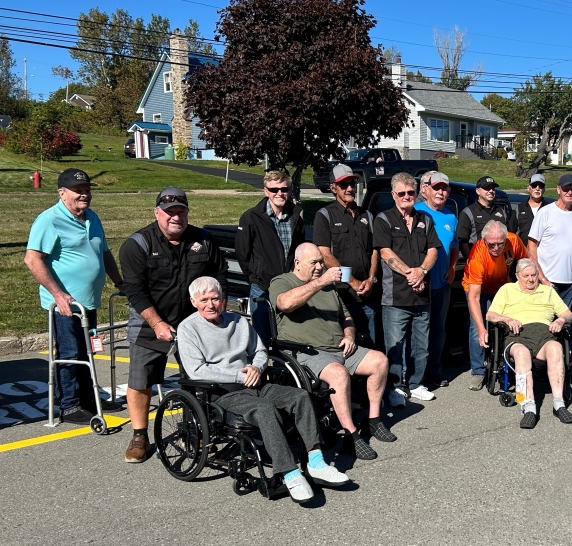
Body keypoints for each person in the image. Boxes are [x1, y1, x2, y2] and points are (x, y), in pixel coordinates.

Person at [176, 276, 348, 503]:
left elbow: (259, 350)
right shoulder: (188, 328)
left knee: (300, 396)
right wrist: (238, 375)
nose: (211, 304)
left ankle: (316, 461)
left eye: (215, 298)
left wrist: (257, 367)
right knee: (264, 409)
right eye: (204, 300)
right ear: (193, 301)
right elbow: (197, 371)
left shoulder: (238, 321)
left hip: (255, 383)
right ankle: (289, 473)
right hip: (223, 393)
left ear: (223, 299)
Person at [119, 187, 227, 463]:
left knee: (198, 376)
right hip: (150, 320)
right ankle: (140, 435)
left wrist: (216, 306)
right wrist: (156, 323)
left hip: (193, 322)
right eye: (169, 212)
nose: (175, 216)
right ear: (157, 213)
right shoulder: (137, 245)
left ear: (187, 212)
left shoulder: (203, 240)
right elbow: (135, 290)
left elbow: (219, 275)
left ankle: (196, 429)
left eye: (181, 211)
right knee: (141, 379)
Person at [270, 243, 395, 460]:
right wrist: (320, 282)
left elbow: (346, 317)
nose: (320, 266)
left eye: (321, 261)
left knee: (380, 361)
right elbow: (285, 304)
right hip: (307, 353)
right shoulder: (282, 281)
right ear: (297, 264)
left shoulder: (330, 287)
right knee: (339, 374)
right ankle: (351, 434)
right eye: (314, 263)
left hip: (340, 347)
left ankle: (374, 420)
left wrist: (349, 335)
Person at [25, 168, 124, 424]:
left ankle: (90, 399)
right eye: (78, 191)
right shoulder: (49, 220)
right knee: (70, 353)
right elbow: (32, 259)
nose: (84, 195)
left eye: (87, 190)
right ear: (62, 193)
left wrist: (120, 282)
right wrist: (58, 295)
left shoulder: (92, 217)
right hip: (65, 305)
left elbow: (104, 253)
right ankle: (69, 405)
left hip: (88, 301)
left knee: (88, 351)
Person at [374, 172, 442, 404]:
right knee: (395, 346)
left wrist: (421, 271)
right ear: (393, 195)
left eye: (410, 192)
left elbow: (433, 249)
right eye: (401, 193)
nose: (406, 196)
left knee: (421, 346)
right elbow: (385, 252)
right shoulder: (384, 219)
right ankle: (395, 387)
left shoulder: (426, 219)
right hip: (395, 296)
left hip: (423, 295)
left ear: (416, 193)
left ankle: (416, 384)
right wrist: (410, 273)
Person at [486, 259, 572, 429]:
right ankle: (528, 407)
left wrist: (561, 320)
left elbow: (569, 315)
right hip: (517, 335)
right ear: (517, 276)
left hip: (544, 335)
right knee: (521, 353)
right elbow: (490, 315)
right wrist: (507, 319)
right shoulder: (507, 289)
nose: (530, 279)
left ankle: (559, 404)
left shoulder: (547, 291)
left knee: (556, 348)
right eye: (525, 275)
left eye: (533, 275)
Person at [235, 170, 305, 346]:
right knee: (261, 340)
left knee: (289, 336)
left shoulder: (296, 215)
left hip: (289, 286)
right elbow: (242, 253)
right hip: (262, 286)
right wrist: (254, 277)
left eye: (284, 189)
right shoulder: (251, 217)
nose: (279, 193)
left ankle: (283, 373)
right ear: (266, 191)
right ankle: (262, 371)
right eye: (274, 190)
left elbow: (300, 249)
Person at [313, 163, 379, 346]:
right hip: (341, 294)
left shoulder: (367, 215)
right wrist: (353, 281)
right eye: (344, 185)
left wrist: (371, 279)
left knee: (370, 346)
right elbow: (325, 255)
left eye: (352, 183)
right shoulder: (324, 215)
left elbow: (375, 251)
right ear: (333, 188)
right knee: (344, 346)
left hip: (367, 294)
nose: (350, 188)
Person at [462, 220, 530, 389]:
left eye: (500, 244)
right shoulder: (477, 256)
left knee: (507, 322)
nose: (496, 248)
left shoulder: (513, 240)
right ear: (484, 240)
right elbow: (474, 298)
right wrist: (481, 329)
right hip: (477, 290)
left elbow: (526, 260)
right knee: (478, 326)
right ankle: (478, 371)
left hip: (501, 286)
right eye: (492, 244)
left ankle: (504, 363)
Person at [413, 171, 458, 387]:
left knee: (438, 331)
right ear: (425, 189)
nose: (441, 192)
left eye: (444, 188)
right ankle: (414, 377)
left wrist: (451, 267)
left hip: (441, 285)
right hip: (419, 284)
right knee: (418, 333)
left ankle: (434, 372)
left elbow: (455, 247)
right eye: (437, 188)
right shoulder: (415, 211)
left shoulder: (451, 217)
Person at [528, 173, 572, 310]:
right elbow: (531, 247)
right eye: (566, 189)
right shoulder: (546, 212)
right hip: (547, 281)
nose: (569, 192)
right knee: (544, 325)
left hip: (569, 283)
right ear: (558, 190)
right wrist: (541, 278)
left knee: (564, 324)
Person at [457, 175, 512, 259]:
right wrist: (471, 261)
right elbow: (462, 241)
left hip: (499, 262)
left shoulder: (501, 212)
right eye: (487, 188)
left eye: (493, 188)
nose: (491, 191)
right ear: (478, 191)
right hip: (478, 261)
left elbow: (508, 237)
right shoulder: (468, 213)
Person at [512, 173, 549, 243]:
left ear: (544, 189)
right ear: (528, 188)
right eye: (534, 185)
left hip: (543, 252)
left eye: (541, 186)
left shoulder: (549, 209)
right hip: (523, 251)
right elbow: (511, 233)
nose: (537, 188)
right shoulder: (519, 209)